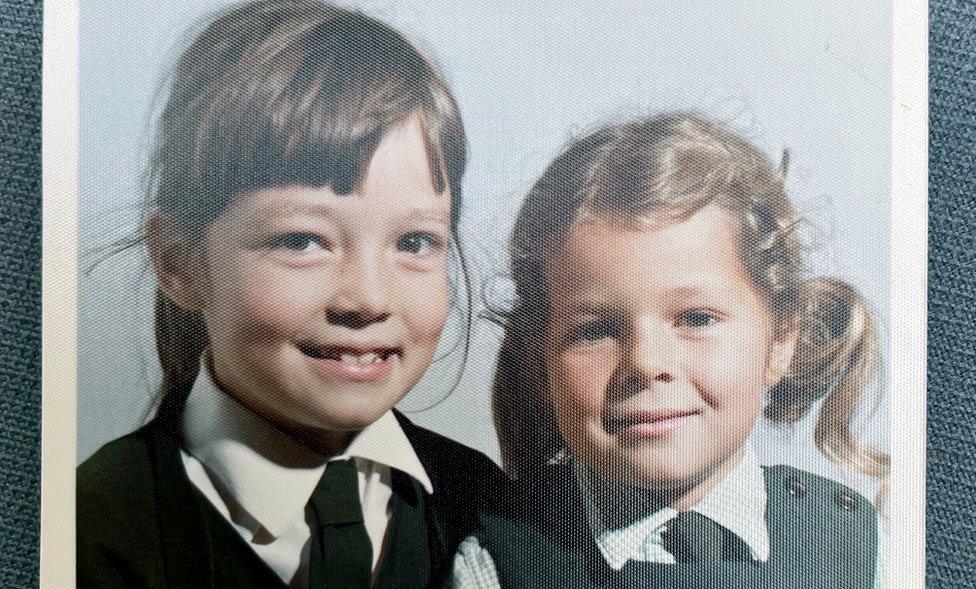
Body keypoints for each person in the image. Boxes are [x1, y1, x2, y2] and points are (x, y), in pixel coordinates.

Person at [77, 2, 506, 587]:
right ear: (178, 262)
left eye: (414, 241)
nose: (368, 298)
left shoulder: (485, 505)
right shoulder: (89, 531)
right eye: (303, 240)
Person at [454, 112, 888, 588]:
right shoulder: (497, 563)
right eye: (596, 330)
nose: (646, 362)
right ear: (541, 360)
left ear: (781, 341)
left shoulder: (853, 541)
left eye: (696, 320)